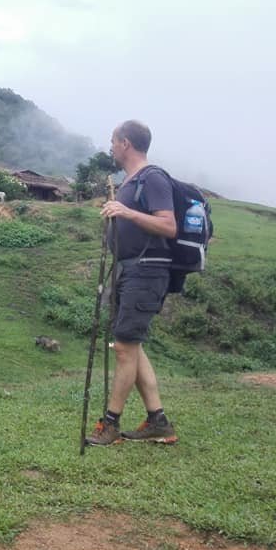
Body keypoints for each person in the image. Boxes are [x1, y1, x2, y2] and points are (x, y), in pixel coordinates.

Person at [86, 120, 179, 445]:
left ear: (125, 143)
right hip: (130, 269)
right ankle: (159, 421)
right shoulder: (130, 181)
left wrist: (126, 213)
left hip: (147, 270)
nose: (110, 146)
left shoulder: (152, 177)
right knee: (131, 345)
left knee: (124, 347)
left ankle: (110, 424)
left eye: (113, 140)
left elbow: (169, 226)